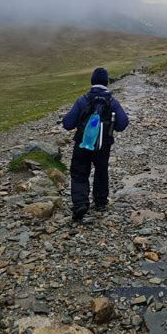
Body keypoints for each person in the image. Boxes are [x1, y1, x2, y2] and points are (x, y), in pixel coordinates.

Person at [62, 67, 129, 221]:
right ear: (106, 83)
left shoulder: (82, 100)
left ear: (92, 82)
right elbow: (122, 123)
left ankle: (80, 204)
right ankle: (100, 202)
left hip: (82, 144)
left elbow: (67, 123)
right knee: (101, 171)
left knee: (79, 173)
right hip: (103, 145)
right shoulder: (112, 102)